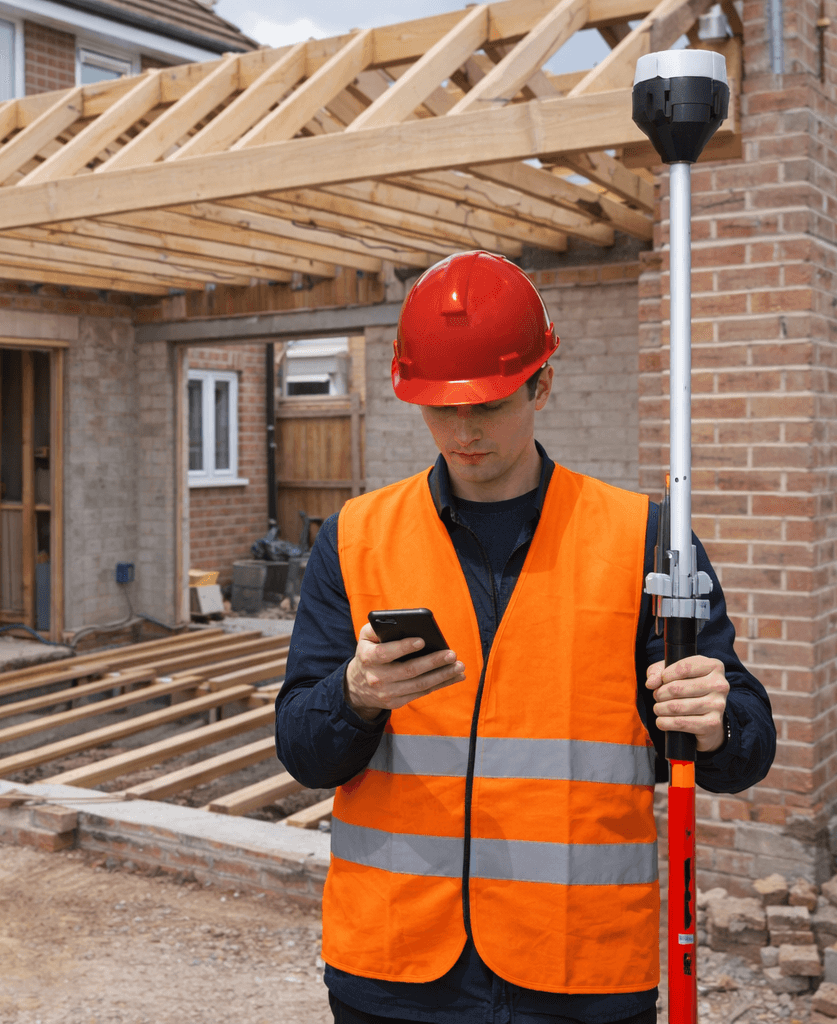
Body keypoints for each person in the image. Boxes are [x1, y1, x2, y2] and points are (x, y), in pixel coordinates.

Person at [276, 251, 776, 1024]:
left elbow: (743, 754)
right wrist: (355, 696)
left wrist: (715, 722)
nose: (465, 431)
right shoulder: (354, 538)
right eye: (443, 408)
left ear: (541, 383)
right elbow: (304, 753)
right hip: (395, 963)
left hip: (580, 969)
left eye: (491, 404)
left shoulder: (646, 539)